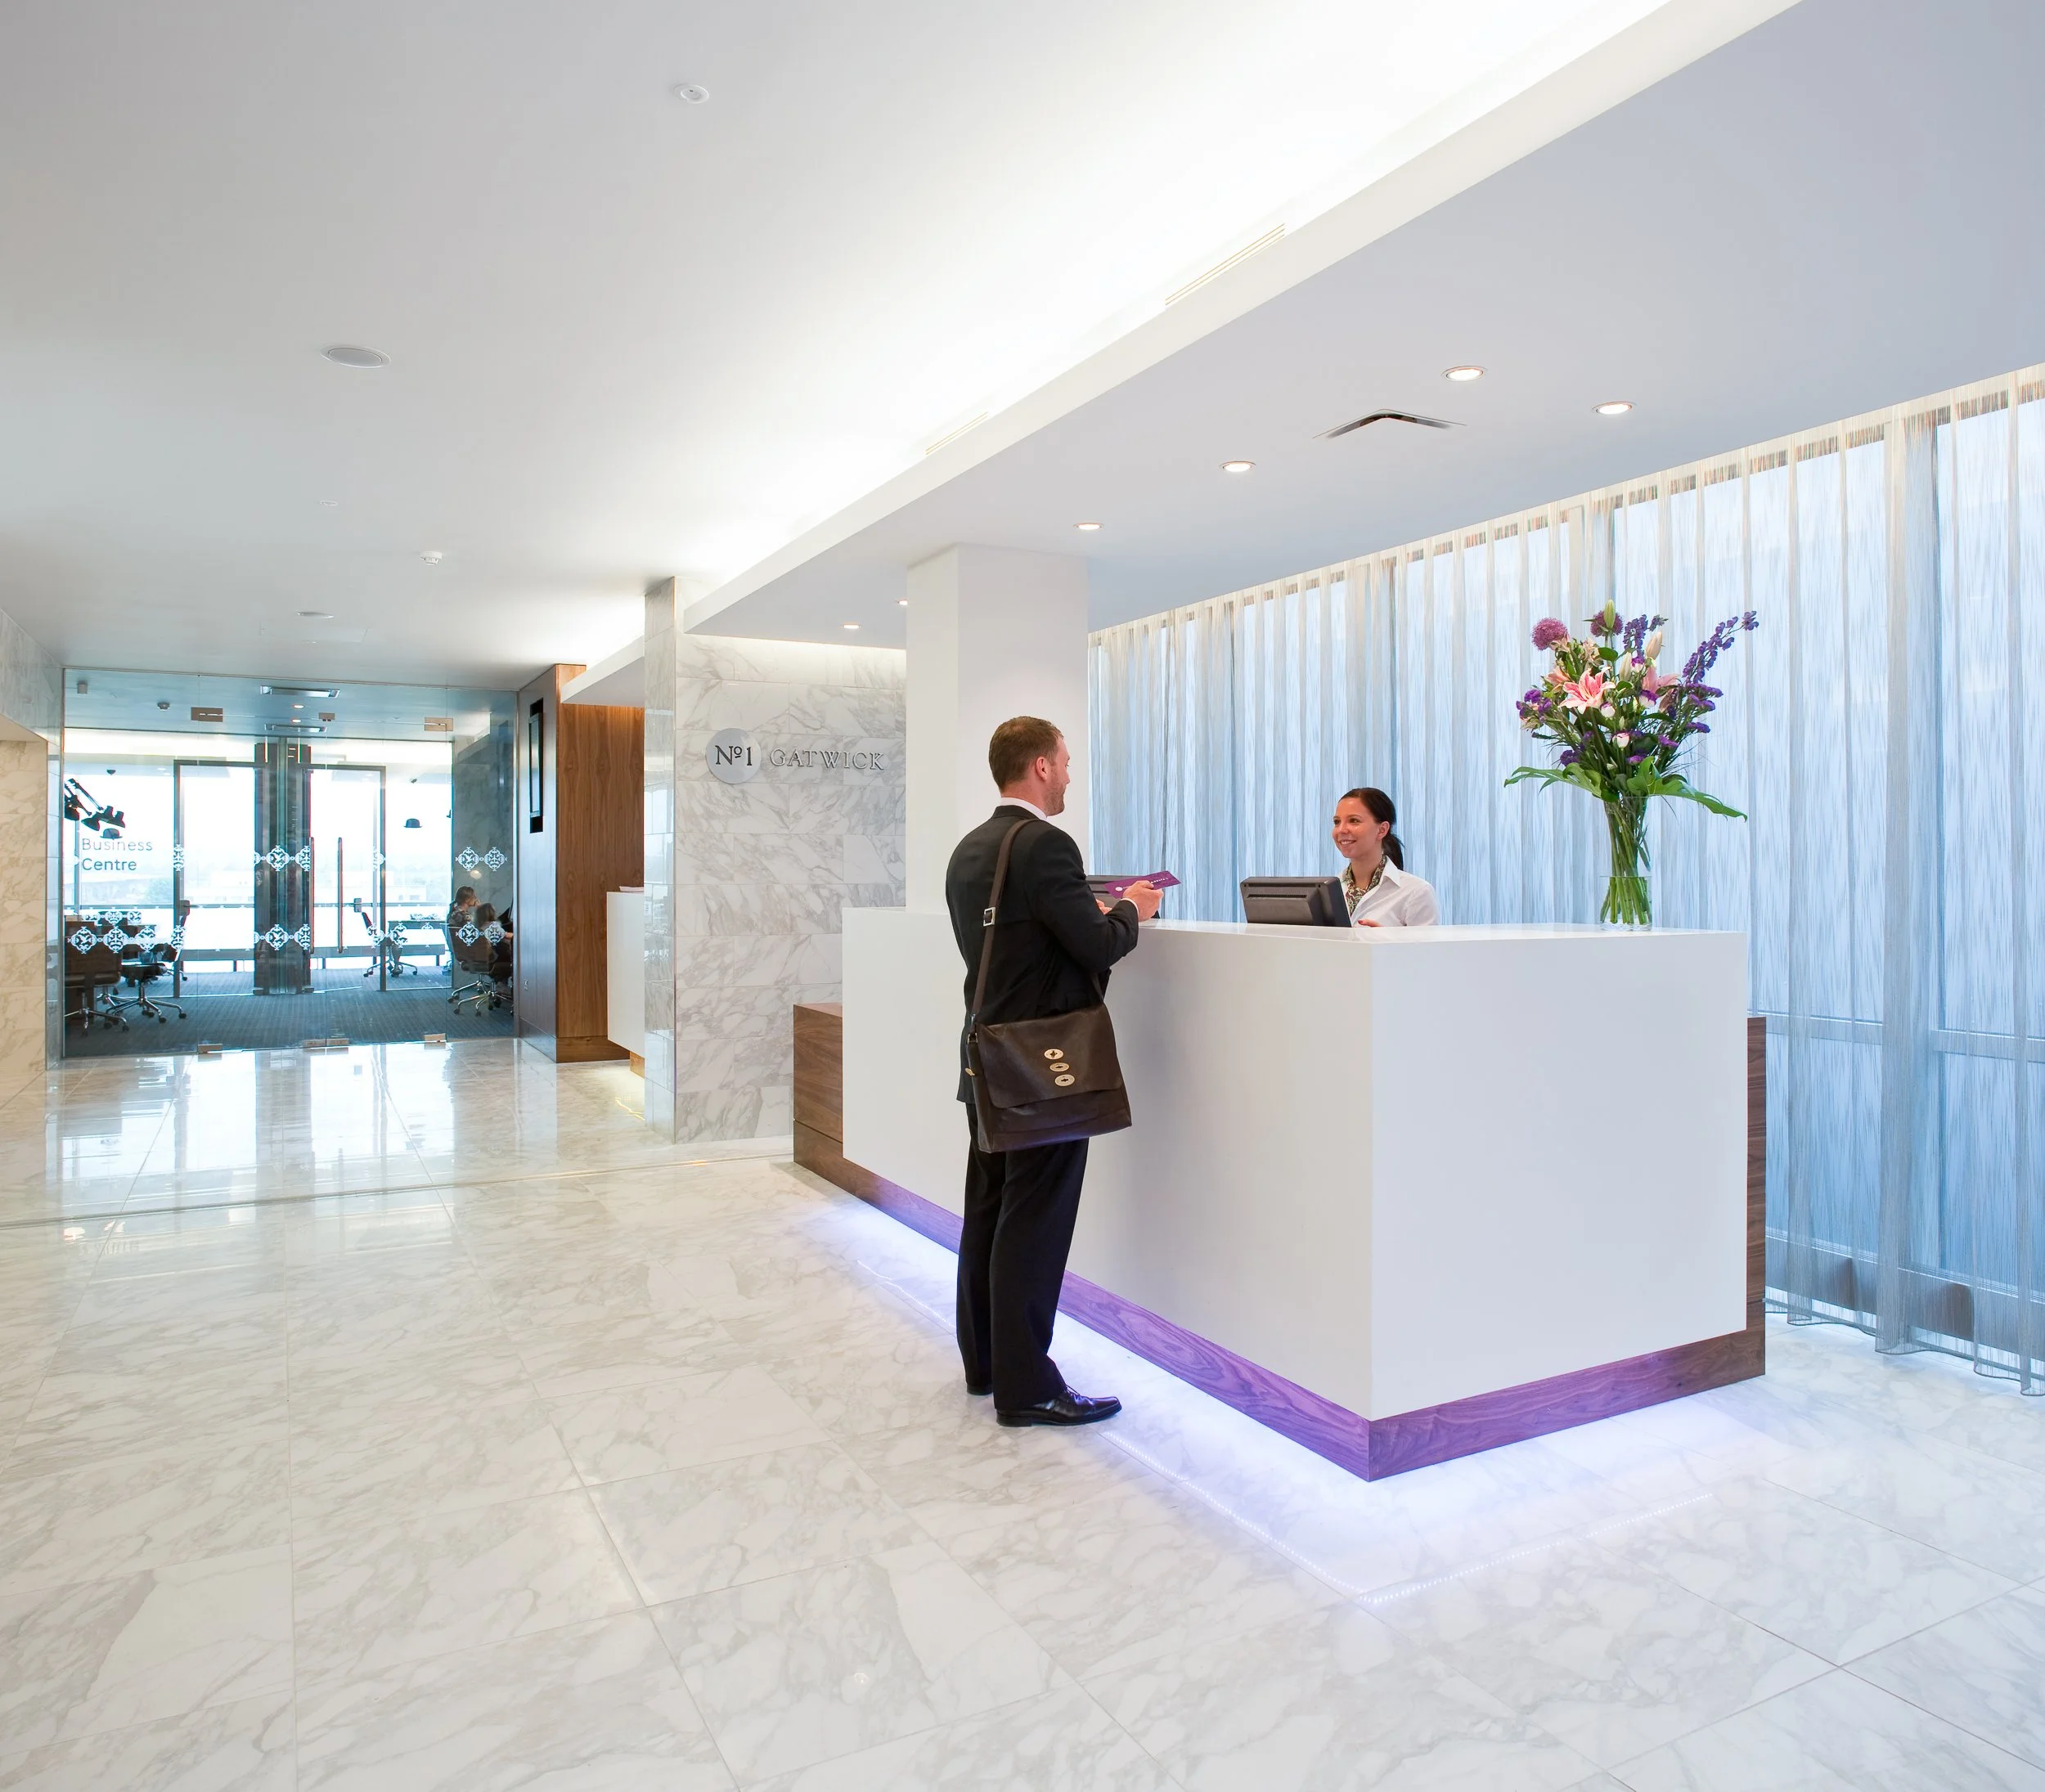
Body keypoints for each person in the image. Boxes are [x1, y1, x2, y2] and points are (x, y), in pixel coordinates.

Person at [945, 716, 1162, 1427]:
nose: (1069, 774)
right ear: (1039, 766)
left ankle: (986, 1363)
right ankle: (1029, 1385)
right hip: (1045, 1068)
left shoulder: (971, 848)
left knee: (990, 1212)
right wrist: (1132, 907)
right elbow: (1096, 945)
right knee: (1034, 1225)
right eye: (1065, 762)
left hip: (988, 1057)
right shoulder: (1045, 845)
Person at [1333, 787, 1439, 927]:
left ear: (1382, 830)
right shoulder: (1328, 891)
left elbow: (1428, 949)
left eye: (1354, 821)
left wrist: (1387, 943)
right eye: (1337, 822)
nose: (1341, 830)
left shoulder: (1417, 892)